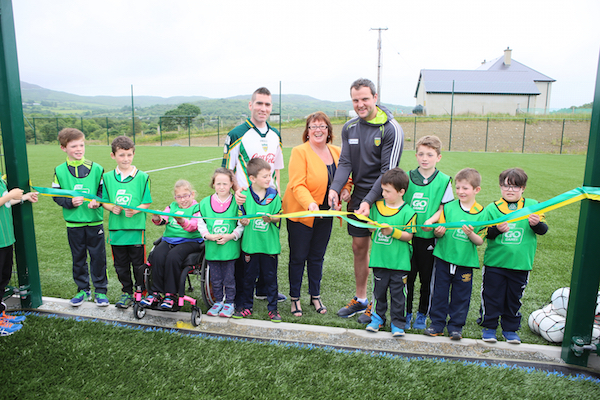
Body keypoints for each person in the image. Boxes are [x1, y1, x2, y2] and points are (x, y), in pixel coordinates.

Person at [329, 78, 404, 321]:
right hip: (359, 197)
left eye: (364, 99)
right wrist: (335, 188)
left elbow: (388, 171)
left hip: (385, 196)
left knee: (382, 250)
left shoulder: (391, 128)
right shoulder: (349, 127)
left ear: (375, 97)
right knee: (358, 247)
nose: (360, 104)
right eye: (355, 100)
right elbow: (345, 162)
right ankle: (361, 300)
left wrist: (369, 201)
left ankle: (377, 304)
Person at [282, 112, 351, 317]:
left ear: (329, 131)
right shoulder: (299, 151)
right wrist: (310, 204)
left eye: (323, 126)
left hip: (327, 213)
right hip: (303, 212)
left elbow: (345, 177)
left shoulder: (337, 151)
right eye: (313, 126)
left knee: (317, 257)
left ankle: (315, 295)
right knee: (298, 257)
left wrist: (346, 189)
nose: (318, 130)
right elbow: (297, 183)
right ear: (307, 131)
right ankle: (295, 299)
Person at [222, 87, 286, 304]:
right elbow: (227, 170)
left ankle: (265, 289)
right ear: (250, 105)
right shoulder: (237, 134)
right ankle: (243, 292)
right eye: (259, 103)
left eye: (267, 104)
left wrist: (279, 191)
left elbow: (277, 168)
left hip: (270, 200)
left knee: (268, 244)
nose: (263, 108)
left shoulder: (276, 134)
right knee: (247, 248)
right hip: (246, 200)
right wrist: (237, 191)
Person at [478, 168, 548, 344]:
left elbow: (543, 230)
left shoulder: (533, 206)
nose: (510, 190)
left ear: (523, 188)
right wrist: (496, 229)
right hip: (495, 263)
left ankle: (510, 329)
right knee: (492, 296)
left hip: (521, 264)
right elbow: (484, 233)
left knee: (514, 298)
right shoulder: (492, 209)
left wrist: (536, 224)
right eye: (506, 186)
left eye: (515, 187)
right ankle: (490, 326)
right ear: (500, 187)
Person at [424, 168, 485, 340]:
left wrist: (471, 234)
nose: (460, 192)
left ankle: (456, 327)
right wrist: (438, 232)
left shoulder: (482, 213)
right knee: (439, 292)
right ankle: (436, 324)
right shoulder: (449, 207)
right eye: (458, 188)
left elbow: (480, 241)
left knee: (461, 296)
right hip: (443, 258)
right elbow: (438, 232)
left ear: (476, 190)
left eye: (465, 188)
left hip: (465, 262)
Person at [52, 128, 108, 307]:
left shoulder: (97, 168)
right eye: (73, 146)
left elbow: (103, 192)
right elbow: (55, 195)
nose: (79, 149)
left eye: (81, 145)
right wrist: (69, 202)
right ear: (63, 148)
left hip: (94, 222)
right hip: (73, 224)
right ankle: (83, 289)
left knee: (98, 257)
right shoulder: (59, 171)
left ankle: (100, 290)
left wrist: (97, 201)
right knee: (78, 258)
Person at [403, 135, 453, 330]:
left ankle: (422, 314)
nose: (425, 158)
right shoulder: (407, 178)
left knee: (427, 280)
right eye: (421, 154)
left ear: (438, 157)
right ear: (416, 155)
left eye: (430, 155)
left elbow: (445, 208)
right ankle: (406, 313)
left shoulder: (444, 180)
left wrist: (431, 221)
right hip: (408, 238)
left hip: (429, 239)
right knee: (407, 278)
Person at [102, 136, 152, 309]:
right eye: (122, 155)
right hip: (117, 230)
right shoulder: (107, 177)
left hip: (136, 229)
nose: (126, 159)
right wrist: (110, 208)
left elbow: (147, 203)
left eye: (129, 155)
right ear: (113, 155)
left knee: (138, 264)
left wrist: (136, 209)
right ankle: (127, 293)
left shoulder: (143, 177)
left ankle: (141, 292)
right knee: (120, 265)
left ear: (133, 154)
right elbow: (104, 200)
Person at [365, 168, 416, 337]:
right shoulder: (377, 207)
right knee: (378, 293)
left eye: (388, 191)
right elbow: (370, 226)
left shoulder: (408, 212)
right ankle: (377, 319)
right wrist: (369, 223)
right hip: (379, 260)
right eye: (382, 190)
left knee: (398, 295)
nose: (383, 194)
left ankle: (397, 323)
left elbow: (409, 235)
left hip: (399, 263)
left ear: (401, 192)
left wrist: (392, 231)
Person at [140, 180, 204, 310]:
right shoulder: (172, 206)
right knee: (157, 255)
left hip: (190, 241)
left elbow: (193, 227)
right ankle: (156, 293)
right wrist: (157, 217)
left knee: (173, 257)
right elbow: (163, 220)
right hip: (169, 240)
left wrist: (181, 221)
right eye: (179, 197)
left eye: (185, 195)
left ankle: (171, 294)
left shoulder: (197, 208)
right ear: (175, 197)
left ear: (192, 194)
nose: (182, 199)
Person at [233, 158, 282, 322]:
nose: (269, 179)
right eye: (265, 176)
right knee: (248, 279)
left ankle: (273, 309)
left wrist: (272, 219)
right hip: (250, 246)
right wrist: (243, 221)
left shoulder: (274, 195)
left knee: (271, 279)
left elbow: (279, 217)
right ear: (252, 178)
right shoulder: (244, 195)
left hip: (269, 246)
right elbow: (240, 217)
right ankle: (247, 307)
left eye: (270, 175)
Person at [198, 168, 244, 318]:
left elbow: (241, 225)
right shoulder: (205, 203)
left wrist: (231, 236)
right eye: (218, 184)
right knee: (215, 279)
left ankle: (229, 302)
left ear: (231, 183)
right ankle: (218, 302)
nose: (222, 187)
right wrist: (208, 236)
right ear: (213, 184)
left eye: (225, 183)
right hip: (213, 249)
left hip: (229, 249)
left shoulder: (237, 203)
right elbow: (201, 223)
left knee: (229, 278)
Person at [0, 179, 37, 336]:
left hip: (6, 239)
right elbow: (5, 199)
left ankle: (1, 315)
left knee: (3, 278)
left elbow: (5, 203)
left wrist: (23, 197)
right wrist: (9, 196)